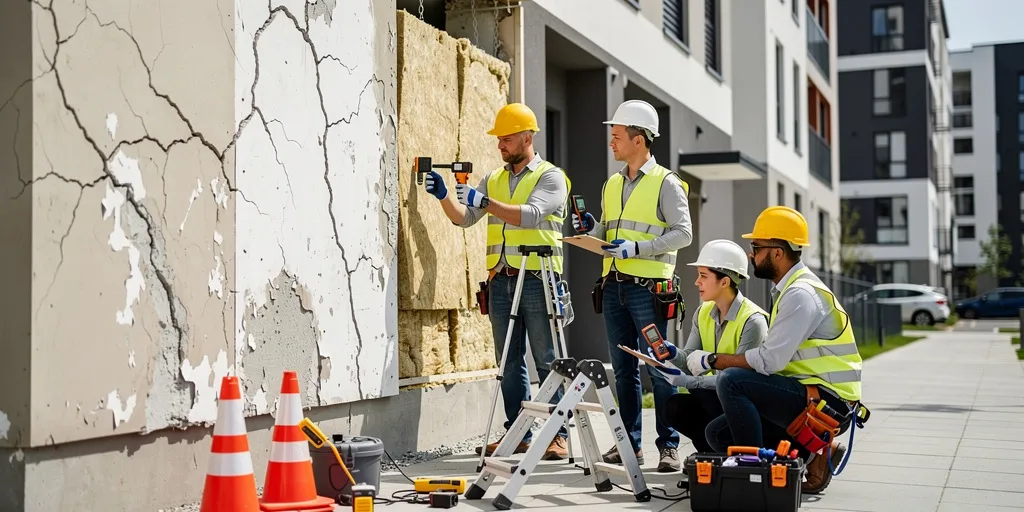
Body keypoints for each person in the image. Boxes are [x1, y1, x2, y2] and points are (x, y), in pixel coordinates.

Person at [424, 102, 572, 460]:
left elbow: (532, 216)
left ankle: (558, 435)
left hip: (539, 279)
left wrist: (486, 202)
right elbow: (464, 219)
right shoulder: (494, 178)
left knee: (547, 359)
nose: (500, 146)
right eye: (499, 140)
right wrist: (445, 196)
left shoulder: (550, 177)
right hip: (502, 280)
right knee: (508, 362)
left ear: (527, 137)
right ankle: (518, 434)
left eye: (506, 139)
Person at [692, 206, 863, 494]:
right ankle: (809, 454)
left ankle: (753, 478)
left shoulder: (801, 294)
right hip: (810, 393)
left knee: (731, 380)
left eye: (756, 248)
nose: (751, 255)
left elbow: (770, 360)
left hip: (828, 403)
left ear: (778, 253)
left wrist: (713, 360)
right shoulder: (791, 289)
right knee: (717, 433)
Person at [572, 99, 692, 472]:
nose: (612, 142)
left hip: (649, 291)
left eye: (617, 136)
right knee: (623, 369)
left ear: (638, 139)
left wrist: (637, 248)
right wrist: (591, 229)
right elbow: (610, 232)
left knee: (659, 367)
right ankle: (630, 444)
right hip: (614, 288)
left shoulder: (666, 183)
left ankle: (669, 447)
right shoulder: (612, 183)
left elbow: (683, 234)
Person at [645, 240, 769, 454]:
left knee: (699, 388)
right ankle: (709, 454)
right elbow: (689, 359)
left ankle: (729, 453)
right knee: (674, 406)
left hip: (746, 406)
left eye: (703, 276)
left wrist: (690, 381)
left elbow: (737, 382)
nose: (696, 282)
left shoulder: (753, 321)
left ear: (724, 282)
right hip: (719, 396)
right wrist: (672, 354)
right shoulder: (703, 312)